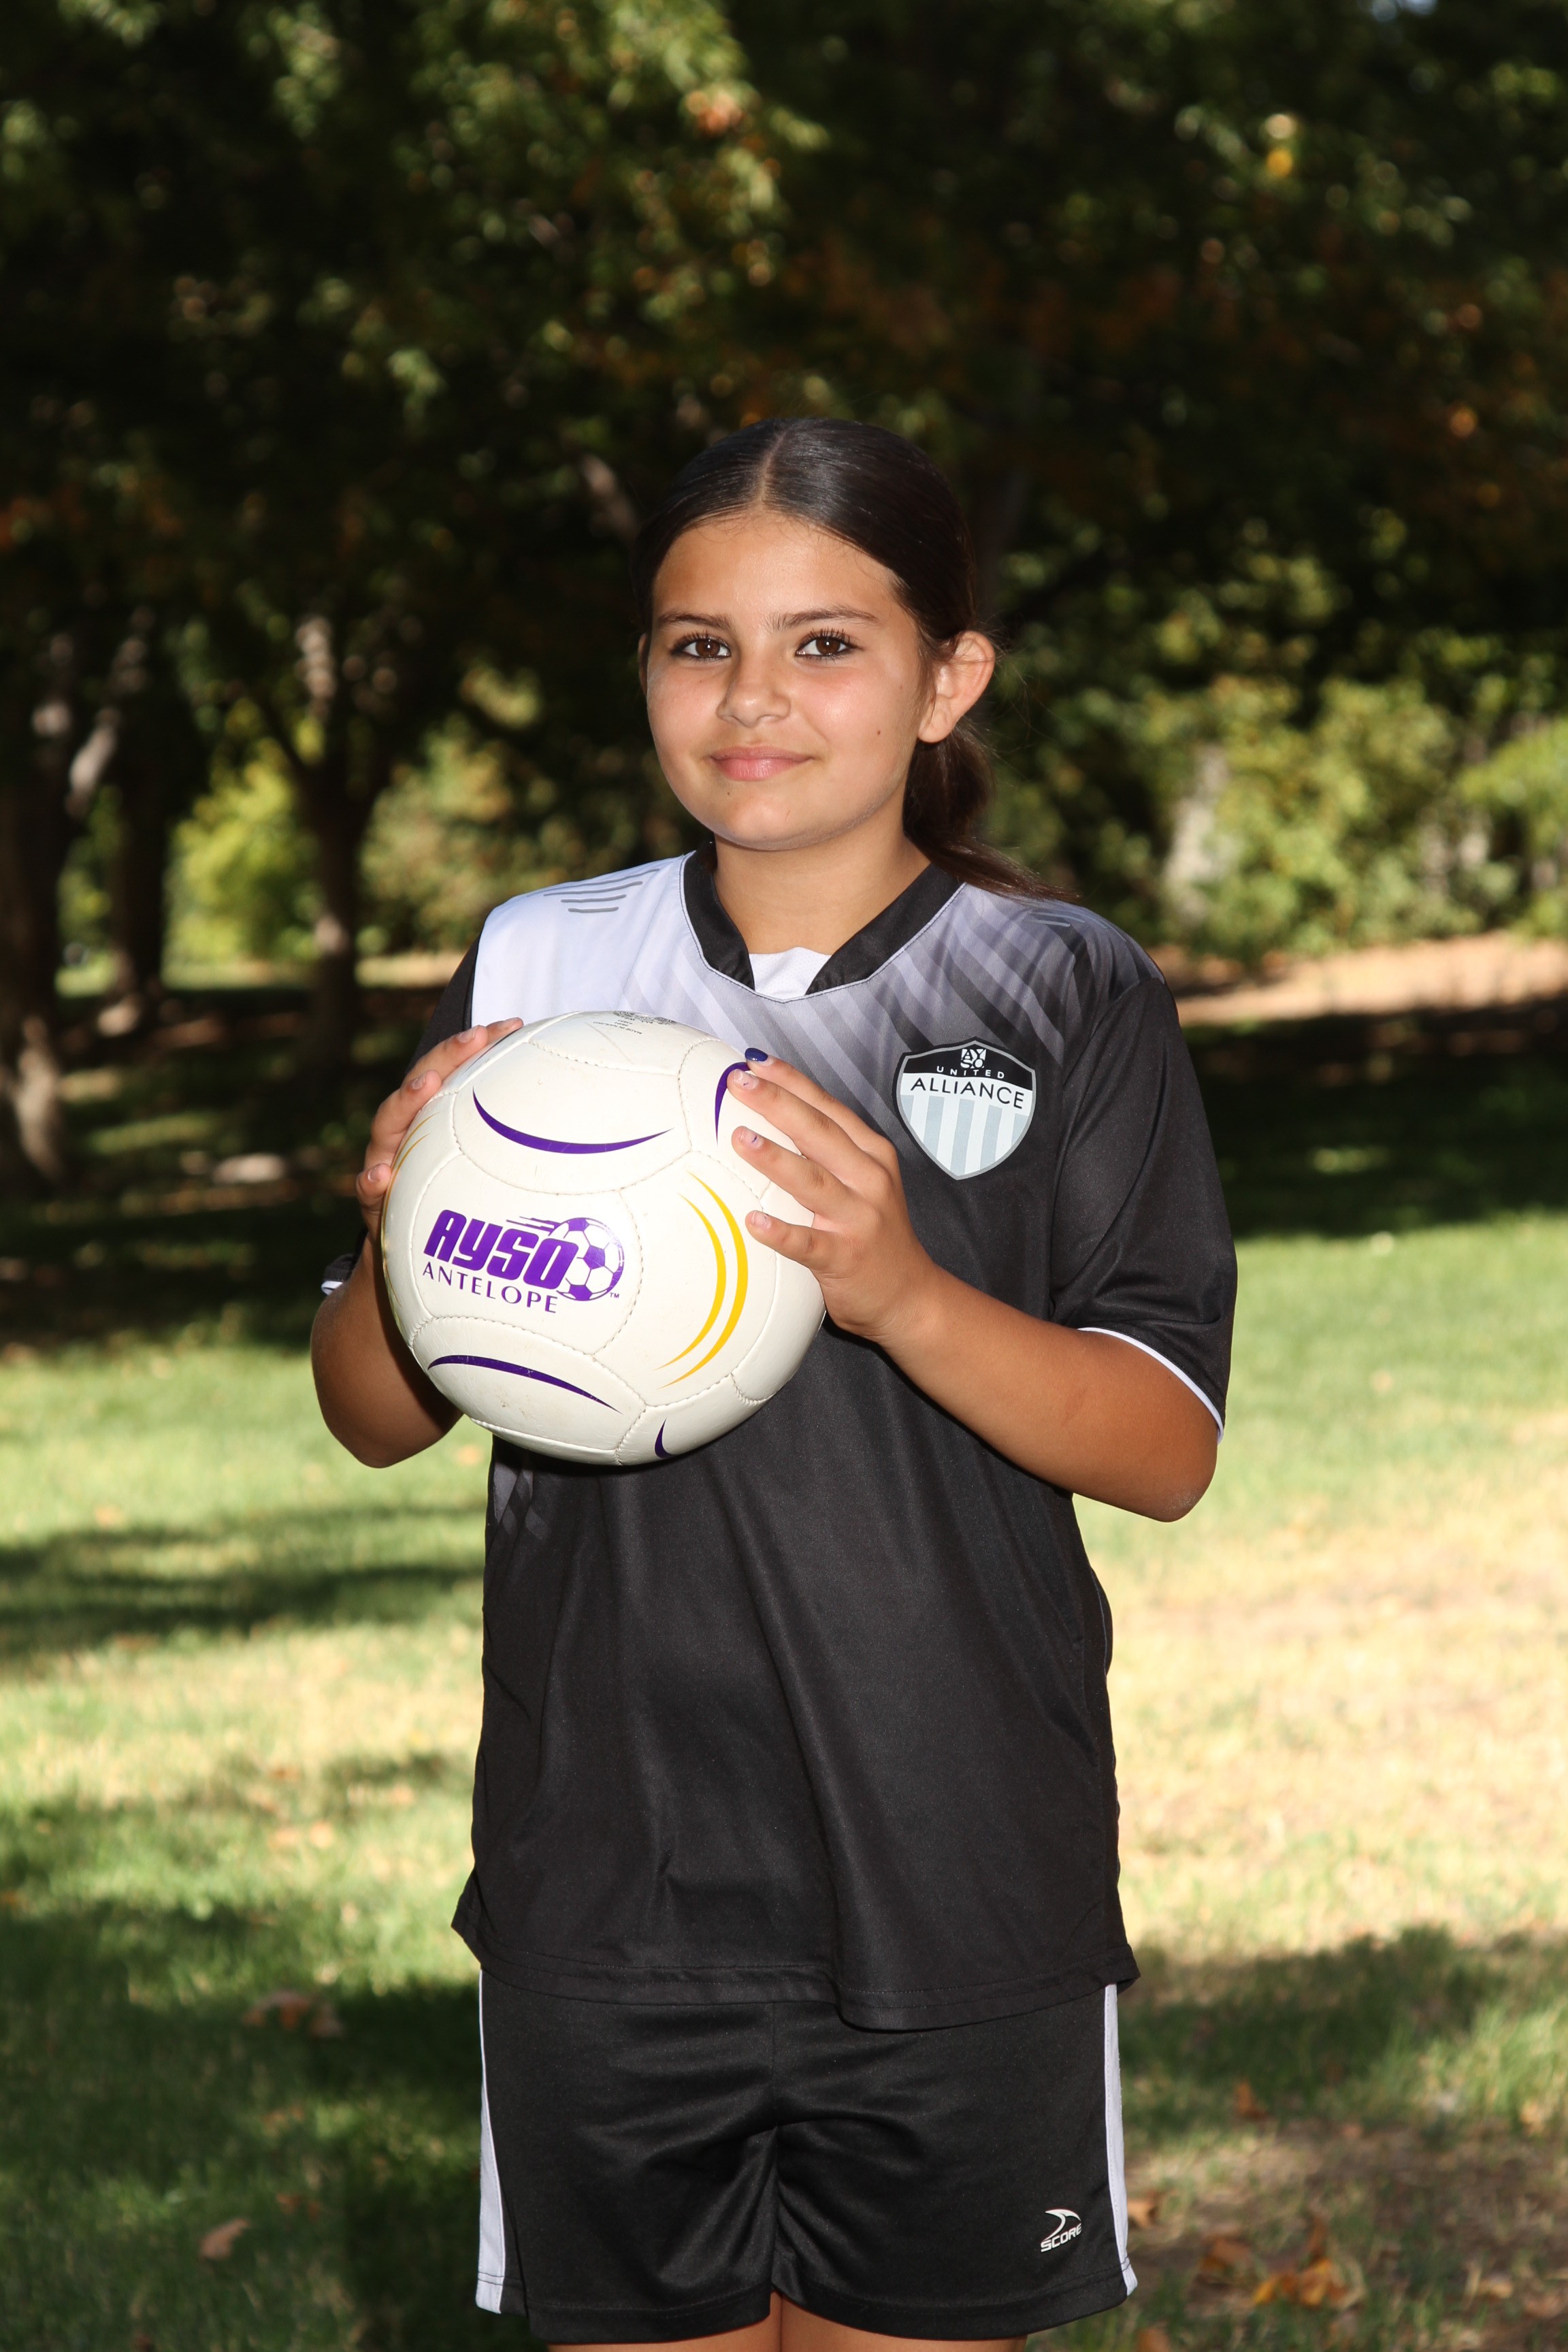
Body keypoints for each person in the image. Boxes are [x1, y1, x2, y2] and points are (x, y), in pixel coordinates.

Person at [312, 419, 1236, 2352]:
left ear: (947, 678)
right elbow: (374, 1411)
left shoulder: (1063, 986)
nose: (754, 699)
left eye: (826, 645)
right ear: (645, 670)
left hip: (958, 1873)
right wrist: (405, 1240)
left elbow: (1164, 1446)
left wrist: (903, 1295)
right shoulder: (545, 964)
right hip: (607, 1881)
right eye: (697, 646)